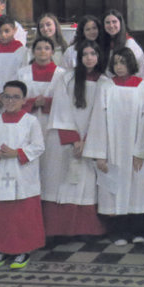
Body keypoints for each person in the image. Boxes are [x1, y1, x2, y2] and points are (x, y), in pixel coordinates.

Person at [83, 48, 144, 246]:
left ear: (131, 64)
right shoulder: (106, 87)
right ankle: (117, 231)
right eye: (116, 63)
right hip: (112, 149)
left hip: (136, 150)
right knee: (113, 191)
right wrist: (100, 154)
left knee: (138, 191)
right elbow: (98, 120)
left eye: (123, 62)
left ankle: (139, 229)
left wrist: (141, 152)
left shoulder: (143, 87)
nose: (119, 66)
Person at [0, 80, 45, 269]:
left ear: (24, 100)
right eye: (6, 96)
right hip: (1, 173)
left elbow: (39, 146)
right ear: (1, 98)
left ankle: (23, 250)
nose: (10, 101)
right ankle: (2, 249)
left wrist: (17, 153)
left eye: (15, 97)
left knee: (22, 214)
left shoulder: (31, 121)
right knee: (2, 214)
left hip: (23, 174)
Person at [45, 40, 107, 240]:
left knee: (87, 185)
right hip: (67, 141)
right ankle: (60, 230)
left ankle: (86, 229)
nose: (89, 57)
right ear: (79, 57)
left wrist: (89, 140)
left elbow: (103, 114)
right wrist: (74, 139)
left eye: (93, 53)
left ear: (99, 57)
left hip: (92, 141)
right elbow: (60, 109)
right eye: (85, 54)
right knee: (62, 183)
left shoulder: (105, 82)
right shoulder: (67, 78)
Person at [18, 36, 67, 208]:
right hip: (28, 123)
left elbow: (67, 103)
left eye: (47, 48)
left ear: (53, 52)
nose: (42, 51)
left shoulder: (62, 75)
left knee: (52, 167)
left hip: (52, 124)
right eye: (38, 48)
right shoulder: (22, 73)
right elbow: (15, 98)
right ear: (33, 51)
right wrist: (31, 103)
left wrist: (46, 103)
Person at [101, 10, 144, 79]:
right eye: (107, 22)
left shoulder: (129, 43)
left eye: (114, 22)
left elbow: (139, 68)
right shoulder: (105, 42)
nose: (111, 25)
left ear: (121, 23)